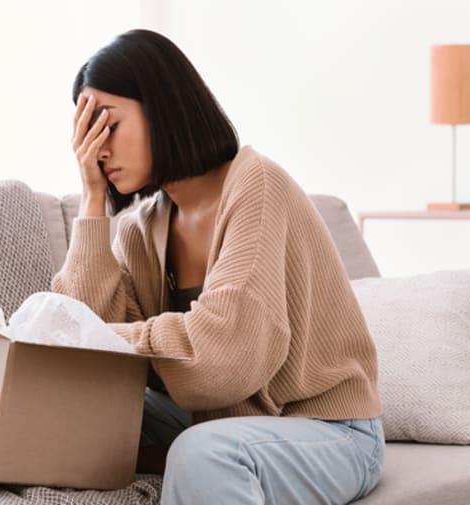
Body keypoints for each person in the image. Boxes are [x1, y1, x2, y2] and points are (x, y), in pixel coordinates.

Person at [51, 28, 384, 505]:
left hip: (328, 430)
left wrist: (101, 338)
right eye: (85, 132)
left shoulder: (257, 186)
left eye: (108, 124)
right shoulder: (140, 227)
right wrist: (92, 199)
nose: (97, 148)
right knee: (74, 407)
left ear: (162, 107)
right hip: (221, 418)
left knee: (202, 455)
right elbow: (79, 349)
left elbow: (221, 360)